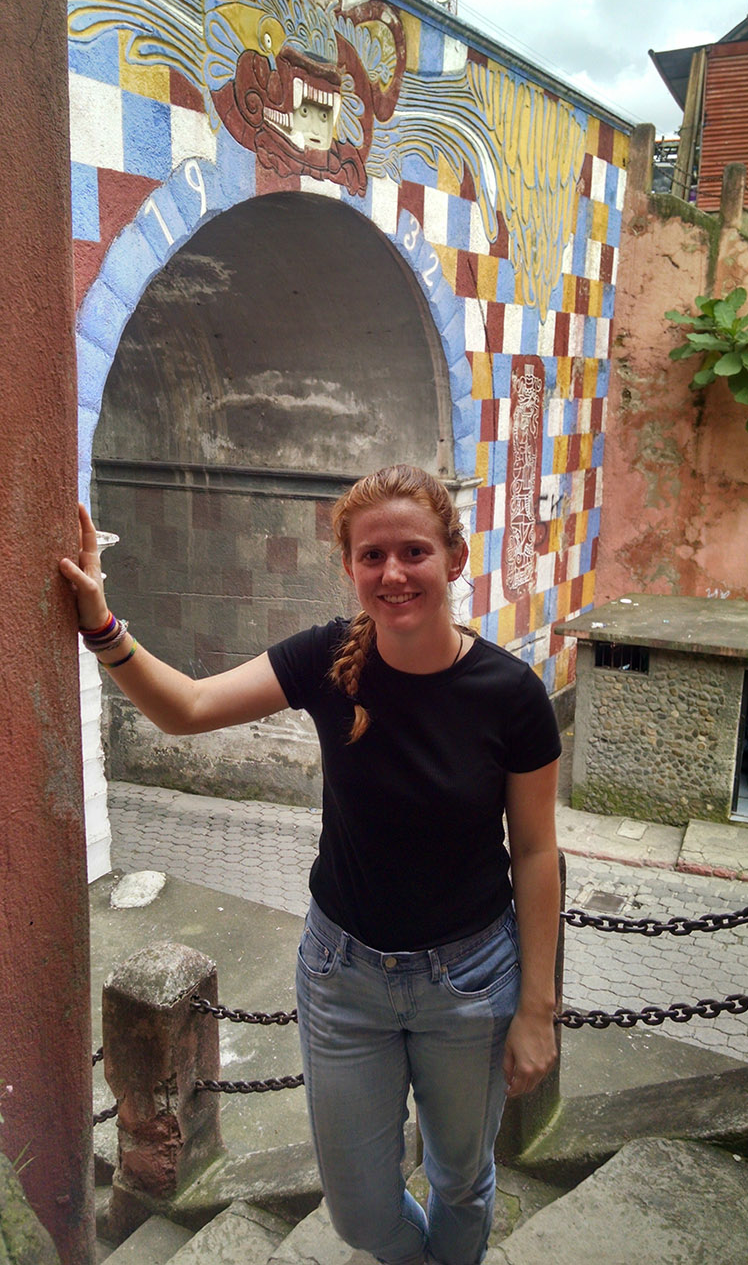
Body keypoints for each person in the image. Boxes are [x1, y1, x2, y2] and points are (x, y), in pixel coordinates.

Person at [61, 464, 561, 1265]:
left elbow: (536, 853)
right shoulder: (331, 658)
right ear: (351, 567)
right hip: (343, 977)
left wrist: (538, 1007)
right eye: (372, 556)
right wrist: (100, 623)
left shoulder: (511, 693)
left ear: (455, 559)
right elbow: (186, 707)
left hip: (469, 982)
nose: (393, 573)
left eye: (414, 551)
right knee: (361, 1213)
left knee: (461, 1181)